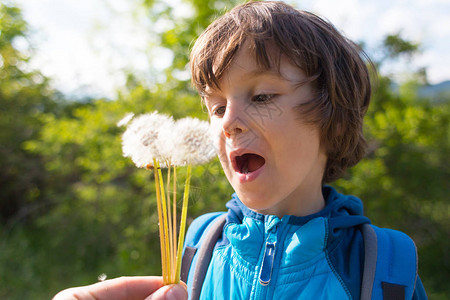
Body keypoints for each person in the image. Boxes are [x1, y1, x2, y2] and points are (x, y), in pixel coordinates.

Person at [54, 1, 427, 299]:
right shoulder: (200, 248)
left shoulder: (383, 269)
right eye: (216, 107)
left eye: (262, 96)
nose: (228, 121)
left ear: (334, 119)